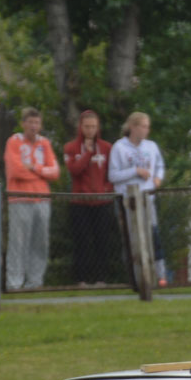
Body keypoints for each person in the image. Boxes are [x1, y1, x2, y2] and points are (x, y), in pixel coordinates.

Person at [3, 107, 61, 290]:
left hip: (42, 199)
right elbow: (16, 170)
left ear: (41, 125)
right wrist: (42, 173)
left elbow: (55, 172)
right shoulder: (14, 142)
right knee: (18, 242)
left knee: (40, 242)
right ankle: (14, 283)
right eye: (30, 122)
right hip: (20, 199)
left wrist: (35, 168)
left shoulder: (45, 144)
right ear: (23, 124)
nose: (33, 126)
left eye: (37, 123)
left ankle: (35, 282)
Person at [109, 111, 167, 286]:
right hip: (129, 201)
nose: (146, 130)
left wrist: (157, 178)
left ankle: (160, 275)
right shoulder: (119, 148)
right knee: (133, 239)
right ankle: (136, 277)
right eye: (143, 126)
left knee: (153, 235)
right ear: (133, 127)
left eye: (147, 127)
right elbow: (113, 175)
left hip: (147, 198)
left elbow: (159, 166)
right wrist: (135, 171)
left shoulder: (151, 146)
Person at [63, 109, 115, 285]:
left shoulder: (107, 148)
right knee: (82, 242)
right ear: (81, 127)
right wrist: (87, 153)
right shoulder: (70, 148)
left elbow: (111, 173)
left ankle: (101, 279)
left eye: (93, 126)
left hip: (102, 202)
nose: (90, 130)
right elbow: (74, 170)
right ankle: (81, 279)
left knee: (102, 241)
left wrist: (106, 189)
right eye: (87, 126)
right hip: (79, 203)